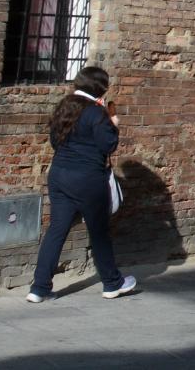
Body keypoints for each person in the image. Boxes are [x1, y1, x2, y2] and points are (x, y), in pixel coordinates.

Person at [28, 66, 137, 303]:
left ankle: (39, 288)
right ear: (101, 89)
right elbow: (108, 145)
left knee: (57, 230)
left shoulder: (63, 107)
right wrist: (114, 124)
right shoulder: (96, 114)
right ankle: (112, 283)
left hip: (59, 175)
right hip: (88, 178)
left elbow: (55, 142)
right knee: (99, 232)